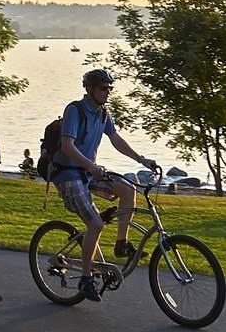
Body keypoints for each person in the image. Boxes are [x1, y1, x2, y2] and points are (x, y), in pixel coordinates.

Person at [50, 68, 157, 303]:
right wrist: (91, 166)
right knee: (96, 223)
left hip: (89, 174)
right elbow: (68, 147)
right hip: (68, 175)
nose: (107, 92)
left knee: (129, 190)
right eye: (102, 88)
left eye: (110, 88)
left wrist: (142, 159)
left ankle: (121, 244)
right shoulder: (75, 110)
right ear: (90, 89)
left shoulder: (104, 113)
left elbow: (116, 140)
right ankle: (86, 278)